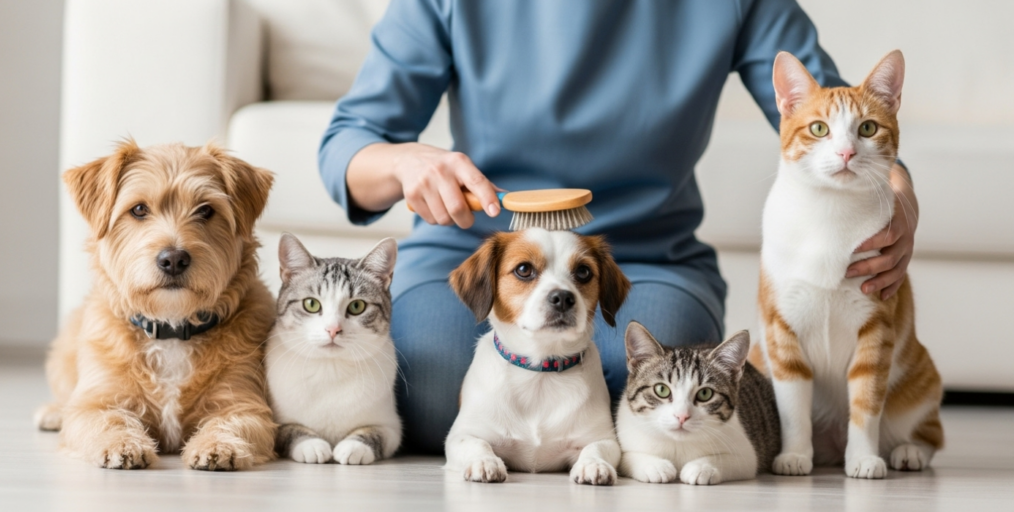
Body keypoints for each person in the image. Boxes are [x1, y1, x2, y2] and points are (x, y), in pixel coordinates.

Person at [318, 0, 919, 454]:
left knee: (656, 381)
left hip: (643, 259)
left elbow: (842, 109)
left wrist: (900, 197)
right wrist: (404, 162)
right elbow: (349, 143)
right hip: (484, 254)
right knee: (429, 380)